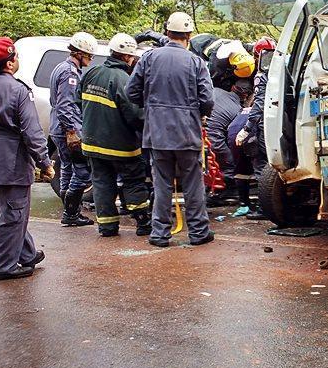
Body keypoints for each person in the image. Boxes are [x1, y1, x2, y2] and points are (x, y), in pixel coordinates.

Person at [0, 37, 54, 281]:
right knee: (13, 213)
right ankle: (3, 266)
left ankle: (26, 254)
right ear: (9, 63)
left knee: (8, 210)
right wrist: (44, 162)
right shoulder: (18, 90)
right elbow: (32, 131)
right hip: (11, 160)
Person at [126, 12, 216, 248]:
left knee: (162, 183)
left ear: (167, 32)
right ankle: (198, 232)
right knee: (193, 183)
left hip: (157, 133)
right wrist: (196, 112)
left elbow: (131, 92)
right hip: (187, 133)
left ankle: (159, 234)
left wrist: (153, 107)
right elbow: (207, 99)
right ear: (188, 35)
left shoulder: (148, 58)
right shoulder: (195, 61)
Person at [79, 33, 151, 238]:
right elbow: (135, 115)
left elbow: (78, 101)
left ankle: (107, 227)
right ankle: (143, 222)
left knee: (102, 183)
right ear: (128, 57)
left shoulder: (92, 72)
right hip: (121, 145)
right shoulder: (123, 79)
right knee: (133, 180)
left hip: (92, 143)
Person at [49, 31, 96, 227]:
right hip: (68, 129)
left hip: (58, 127)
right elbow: (66, 105)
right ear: (79, 53)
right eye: (88, 56)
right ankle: (71, 212)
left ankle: (70, 212)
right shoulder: (69, 73)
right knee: (82, 172)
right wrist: (72, 131)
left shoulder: (62, 67)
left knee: (67, 169)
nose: (90, 60)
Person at [236, 37, 275, 220]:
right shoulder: (280, 70)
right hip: (277, 124)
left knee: (261, 166)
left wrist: (246, 128)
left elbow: (259, 104)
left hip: (264, 126)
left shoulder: (262, 75)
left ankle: (263, 208)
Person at [205, 79, 247, 205]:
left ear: (233, 87)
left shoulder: (216, 91)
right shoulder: (237, 110)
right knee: (231, 163)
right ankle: (225, 192)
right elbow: (234, 135)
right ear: (245, 96)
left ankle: (211, 190)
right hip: (214, 141)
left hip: (198, 135)